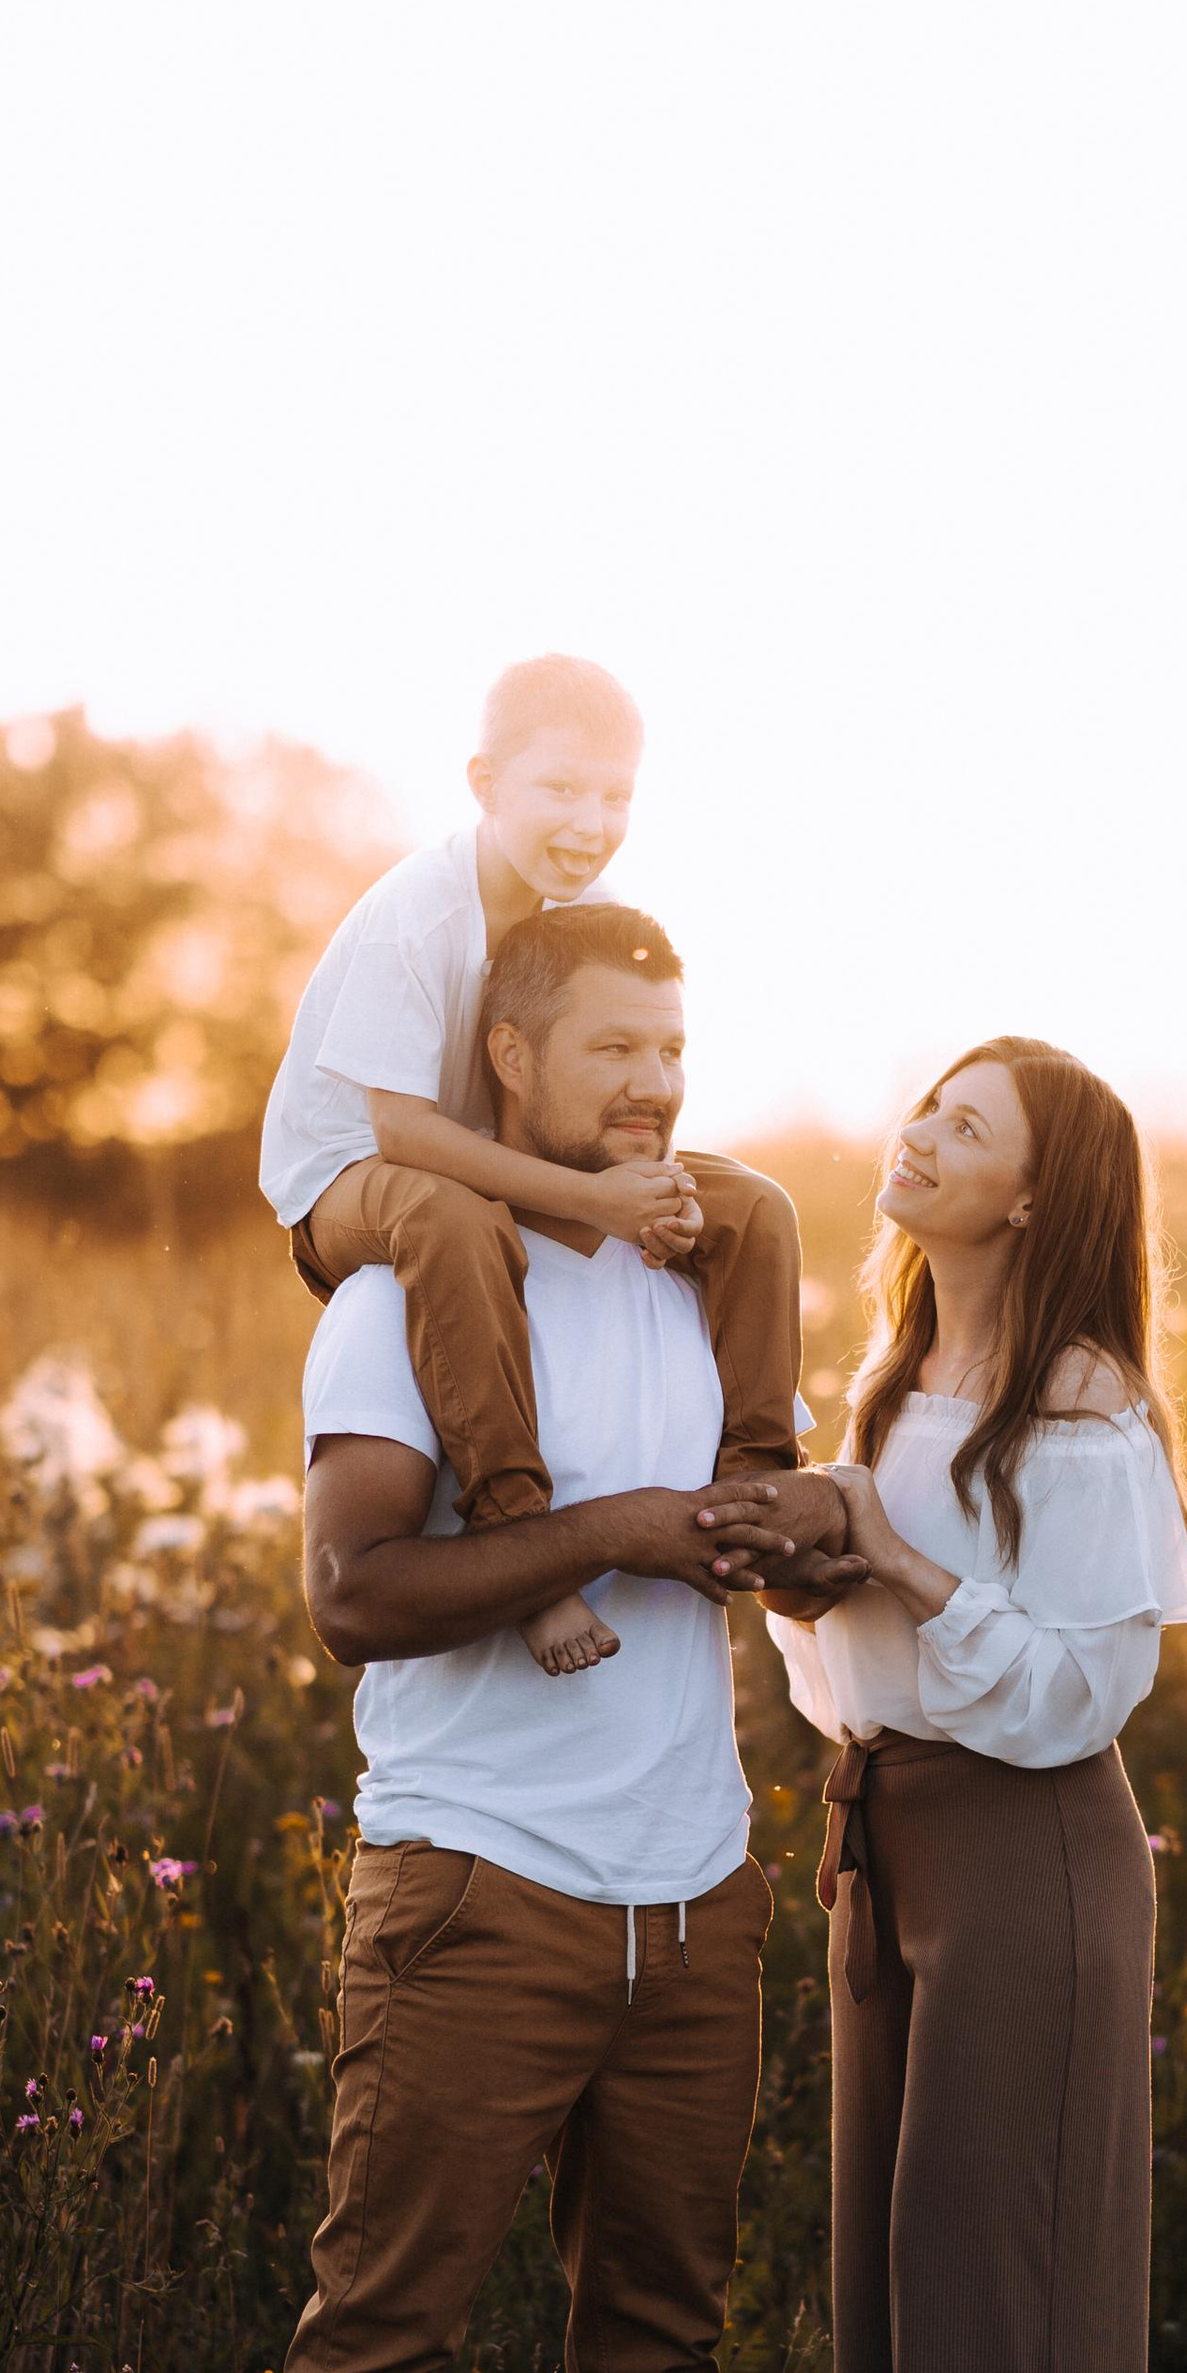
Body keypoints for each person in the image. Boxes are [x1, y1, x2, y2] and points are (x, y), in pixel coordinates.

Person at [276, 896, 862, 2373]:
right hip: (476, 1889)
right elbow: (359, 1597)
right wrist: (609, 1529)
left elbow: (747, 1543)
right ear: (507, 1061)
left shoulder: (695, 1275)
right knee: (390, 2320)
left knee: (661, 2319)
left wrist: (801, 1529)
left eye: (671, 1050)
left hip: (693, 1885)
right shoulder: (400, 1296)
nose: (653, 1086)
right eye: (614, 1048)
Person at [764, 1040, 1187, 2373]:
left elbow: (1084, 1682)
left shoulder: (1084, 1401)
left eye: (967, 1128)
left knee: (1030, 2264)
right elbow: (863, 1640)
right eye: (924, 1107)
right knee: (931, 2260)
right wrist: (811, 1571)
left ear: (1030, 1195)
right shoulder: (895, 1371)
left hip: (1034, 1842)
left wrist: (893, 1559)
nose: (918, 1134)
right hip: (894, 1833)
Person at [257, 653, 801, 1678]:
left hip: (491, 1161)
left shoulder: (589, 905)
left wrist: (662, 1195)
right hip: (348, 1176)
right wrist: (596, 1197)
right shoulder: (417, 914)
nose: (589, 823)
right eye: (560, 789)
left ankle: (759, 1478)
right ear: (485, 785)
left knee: (752, 1206)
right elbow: (404, 1133)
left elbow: (620, 1080)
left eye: (615, 796)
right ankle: (519, 1530)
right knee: (449, 1223)